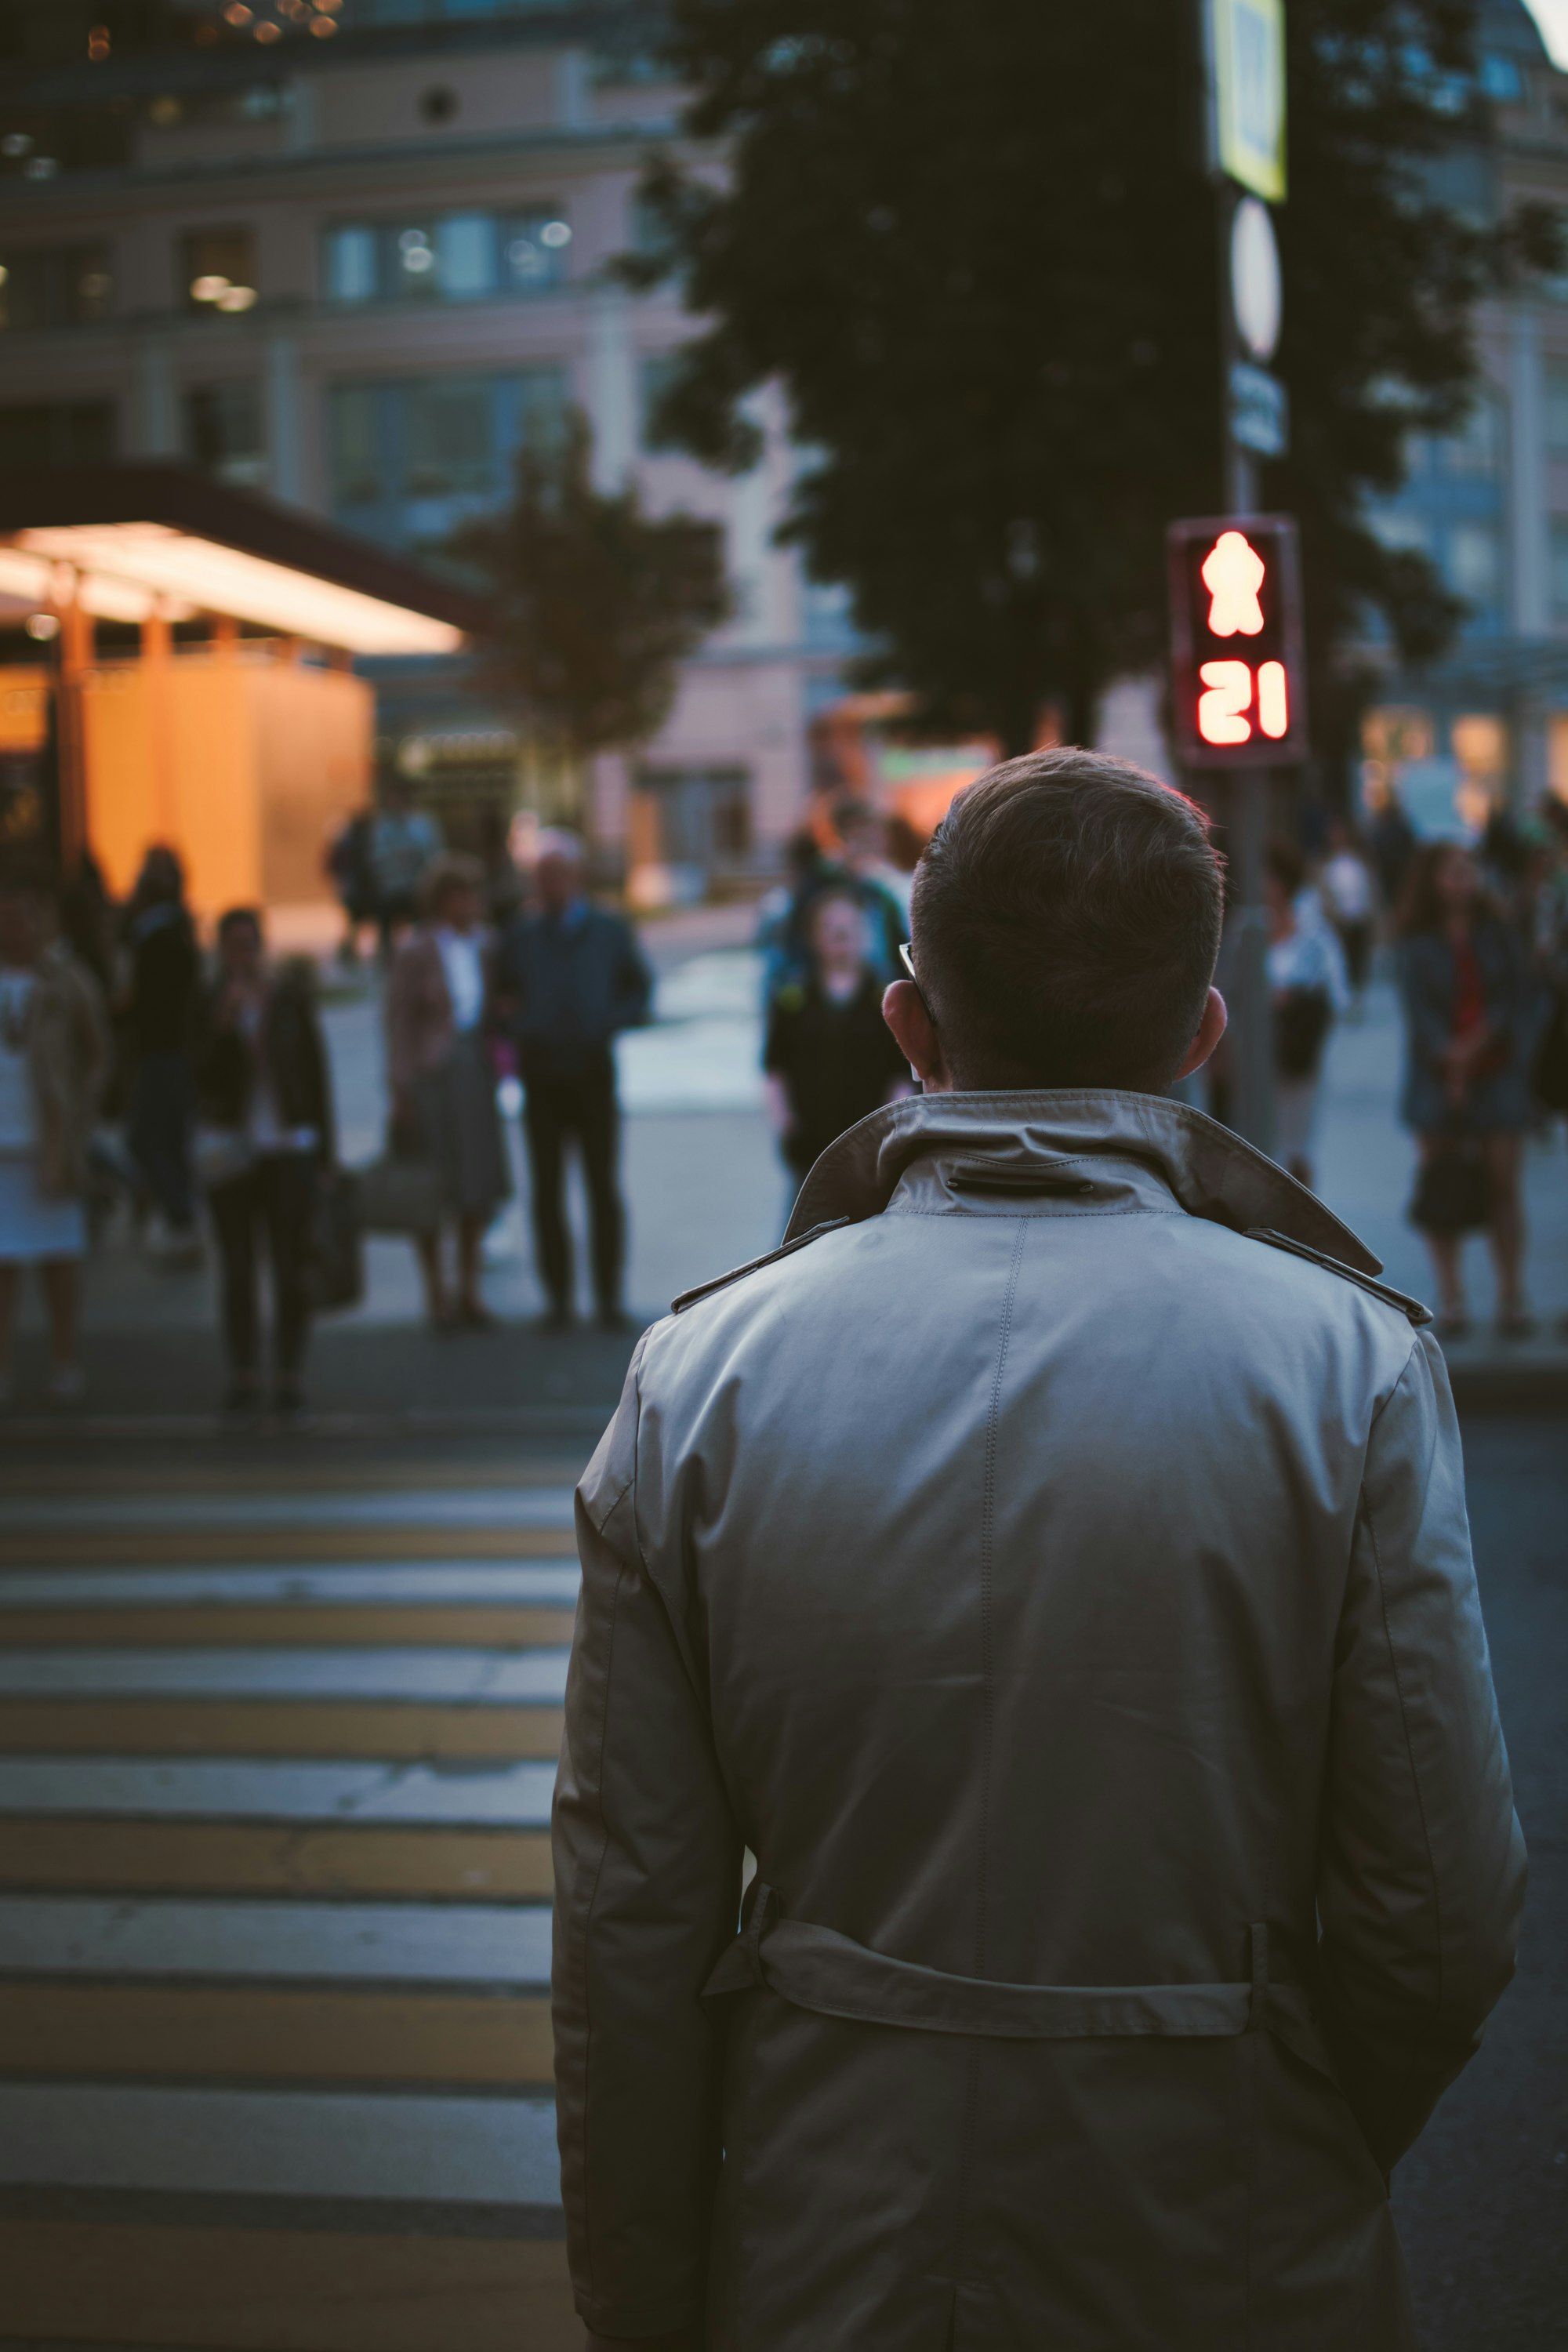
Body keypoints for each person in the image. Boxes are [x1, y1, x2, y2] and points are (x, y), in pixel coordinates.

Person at [554, 750, 1524, 2352]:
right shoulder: (1344, 1369)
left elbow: (627, 1930)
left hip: (823, 2230)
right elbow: (1439, 1916)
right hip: (1226, 2231)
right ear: (1201, 1039)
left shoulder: (701, 1376)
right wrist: (1280, 2110)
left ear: (910, 1028)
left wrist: (649, 2303)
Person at [495, 830, 652, 1331]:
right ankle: (558, 1301)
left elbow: (639, 987)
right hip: (541, 1076)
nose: (551, 882)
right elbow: (500, 995)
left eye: (559, 872)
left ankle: (608, 1299)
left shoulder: (608, 929)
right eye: (543, 874)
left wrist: (609, 1019)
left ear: (577, 875)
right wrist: (522, 1027)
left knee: (602, 1188)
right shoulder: (520, 934)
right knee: (546, 1192)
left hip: (593, 1072)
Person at [196, 909, 335, 1416]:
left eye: (248, 946)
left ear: (261, 947)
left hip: (287, 1145)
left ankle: (289, 1372)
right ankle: (244, 1372)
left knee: (290, 1262)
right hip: (231, 1150)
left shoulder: (288, 1000)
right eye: (231, 947)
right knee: (237, 1266)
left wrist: (325, 1154)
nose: (242, 957)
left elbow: (317, 1075)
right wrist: (221, 1024)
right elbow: (197, 1075)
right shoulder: (210, 1002)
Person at [1397, 841, 1534, 1338]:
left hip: (1496, 1073)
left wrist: (1476, 1048)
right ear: (1433, 879)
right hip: (1436, 1079)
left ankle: (1511, 1295)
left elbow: (1516, 996)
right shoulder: (1414, 941)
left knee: (1503, 1185)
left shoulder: (1498, 933)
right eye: (1453, 871)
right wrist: (1451, 1060)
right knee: (1444, 1185)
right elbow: (1419, 1016)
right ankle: (1451, 1296)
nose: (1464, 880)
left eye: (1469, 869)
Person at [0, 855, 110, 1406]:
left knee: (58, 1254)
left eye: (22, 917)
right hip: (3, 1141)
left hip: (49, 1139)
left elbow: (98, 1053)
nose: (13, 928)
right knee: (4, 1261)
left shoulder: (65, 981)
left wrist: (79, 1116)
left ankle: (64, 1358)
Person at [386, 853, 510, 1330]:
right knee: (432, 1187)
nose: (473, 904)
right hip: (431, 1075)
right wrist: (401, 1088)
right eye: (464, 895)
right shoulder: (416, 949)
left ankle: (469, 1289)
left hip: (474, 1071)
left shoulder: (484, 945)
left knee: (475, 1184)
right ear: (443, 901)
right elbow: (398, 1023)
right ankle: (436, 1292)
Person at [764, 886, 912, 1196]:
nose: (842, 936)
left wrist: (887, 1135)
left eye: (851, 927)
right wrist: (786, 1127)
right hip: (811, 1149)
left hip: (869, 1148)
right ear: (815, 937)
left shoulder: (887, 998)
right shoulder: (793, 998)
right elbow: (775, 1067)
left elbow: (901, 1073)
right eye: (832, 929)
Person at [124, 844, 201, 1262]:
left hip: (165, 1051)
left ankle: (181, 1218)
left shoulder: (163, 935)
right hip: (164, 1050)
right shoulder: (158, 931)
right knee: (165, 1141)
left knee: (152, 1139)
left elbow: (155, 1001)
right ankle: (180, 1220)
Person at [1265, 838, 1349, 1192]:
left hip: (1295, 1056)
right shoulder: (1243, 929)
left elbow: (1337, 993)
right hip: (1249, 1061)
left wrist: (1290, 999)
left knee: (1296, 1149)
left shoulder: (1312, 934)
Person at [367, 779, 443, 960]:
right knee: (387, 931)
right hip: (392, 889)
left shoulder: (421, 825)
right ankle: (389, 962)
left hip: (417, 887)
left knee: (423, 930)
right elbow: (377, 858)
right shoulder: (382, 828)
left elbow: (434, 855)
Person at [1318, 818, 1376, 1014]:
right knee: (1343, 961)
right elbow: (1323, 893)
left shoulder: (1360, 862)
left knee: (1359, 960)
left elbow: (1371, 891)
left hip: (1360, 919)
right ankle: (1347, 998)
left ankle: (1357, 996)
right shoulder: (1327, 865)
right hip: (1340, 922)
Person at [325, 807, 377, 967]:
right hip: (357, 889)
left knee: (355, 924)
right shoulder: (358, 841)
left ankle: (349, 953)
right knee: (356, 923)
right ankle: (348, 953)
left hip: (353, 889)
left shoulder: (348, 840)